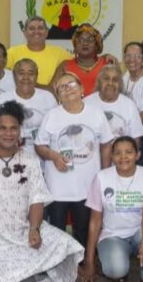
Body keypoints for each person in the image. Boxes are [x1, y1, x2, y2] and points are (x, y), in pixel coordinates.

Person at [0, 101, 85, 282]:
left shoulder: (30, 160)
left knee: (67, 245)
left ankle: (25, 267)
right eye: (2, 128)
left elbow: (37, 198)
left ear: (20, 131)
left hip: (21, 231)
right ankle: (13, 271)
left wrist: (34, 228)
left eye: (13, 128)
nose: (8, 133)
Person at [35, 72, 114, 247]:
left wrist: (105, 173)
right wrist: (54, 156)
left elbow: (106, 144)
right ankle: (57, 266)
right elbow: (39, 146)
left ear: (82, 89)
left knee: (84, 231)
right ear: (58, 96)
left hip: (87, 186)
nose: (67, 89)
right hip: (58, 188)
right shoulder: (52, 115)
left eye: (70, 84)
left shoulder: (96, 114)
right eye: (61, 87)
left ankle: (84, 264)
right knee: (56, 231)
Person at [80, 137, 143, 282]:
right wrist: (89, 261)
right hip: (113, 234)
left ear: (138, 155)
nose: (123, 157)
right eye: (117, 153)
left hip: (141, 231)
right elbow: (95, 220)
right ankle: (118, 265)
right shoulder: (101, 177)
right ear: (111, 157)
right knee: (116, 271)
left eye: (129, 152)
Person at [0, 58, 57, 159]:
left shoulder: (48, 97)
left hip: (43, 157)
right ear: (14, 76)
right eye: (21, 73)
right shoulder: (3, 98)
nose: (26, 77)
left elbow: (55, 129)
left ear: (36, 76)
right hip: (11, 156)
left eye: (31, 73)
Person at [6, 16, 71, 90]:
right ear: (25, 33)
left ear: (46, 32)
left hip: (51, 99)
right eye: (31, 28)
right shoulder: (12, 53)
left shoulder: (61, 53)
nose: (36, 31)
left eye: (40, 28)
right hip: (21, 98)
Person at [84, 65, 143, 144]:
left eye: (115, 80)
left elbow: (136, 138)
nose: (110, 83)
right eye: (106, 79)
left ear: (120, 84)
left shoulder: (129, 105)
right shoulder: (86, 103)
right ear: (99, 81)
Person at [51, 23, 110, 96]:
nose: (85, 43)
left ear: (96, 45)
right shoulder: (65, 66)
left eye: (90, 40)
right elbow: (53, 90)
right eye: (80, 40)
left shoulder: (107, 63)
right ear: (75, 46)